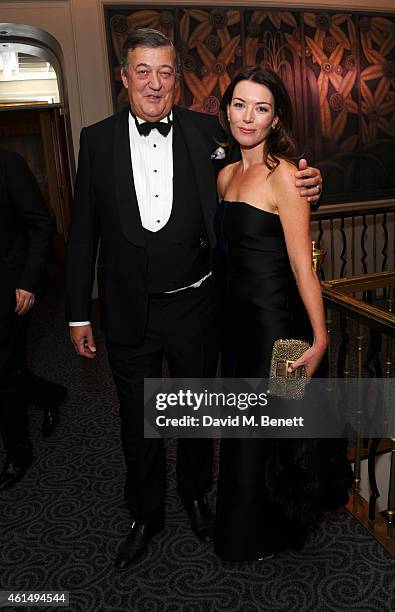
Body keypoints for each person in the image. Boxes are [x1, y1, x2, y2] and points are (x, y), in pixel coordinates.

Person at [65, 29, 323, 570]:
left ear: (176, 78)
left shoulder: (213, 132)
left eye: (164, 72)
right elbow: (82, 233)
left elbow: (273, 168)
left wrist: (313, 180)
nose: (154, 83)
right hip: (128, 311)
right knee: (140, 422)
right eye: (143, 71)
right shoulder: (96, 138)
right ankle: (145, 514)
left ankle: (195, 495)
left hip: (198, 310)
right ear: (124, 76)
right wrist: (76, 312)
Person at [213, 66, 353, 561]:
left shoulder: (289, 176)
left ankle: (272, 531)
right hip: (237, 327)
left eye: (261, 108)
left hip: (277, 329)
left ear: (275, 119)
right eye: (239, 104)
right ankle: (239, 526)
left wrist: (319, 338)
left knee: (276, 432)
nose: (248, 117)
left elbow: (301, 263)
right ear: (226, 109)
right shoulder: (225, 174)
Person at [0, 148, 67, 492]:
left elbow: (41, 225)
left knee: (5, 372)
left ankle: (18, 452)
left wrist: (27, 282)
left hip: (9, 291)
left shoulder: (8, 162)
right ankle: (49, 395)